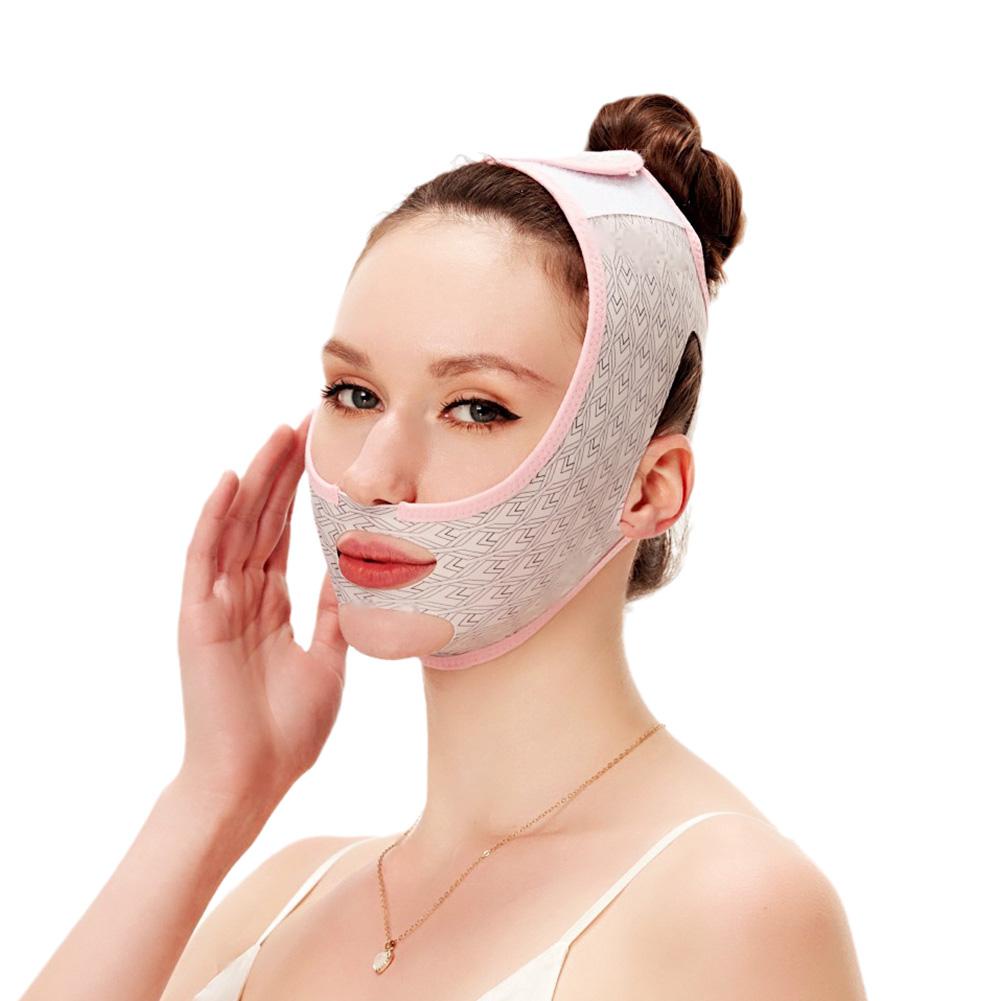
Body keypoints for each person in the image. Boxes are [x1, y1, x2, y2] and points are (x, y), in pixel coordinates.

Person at [20, 94, 867, 1001]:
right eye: (354, 394)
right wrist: (217, 788)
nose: (372, 476)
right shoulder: (280, 897)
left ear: (648, 488)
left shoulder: (731, 906)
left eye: (475, 407)